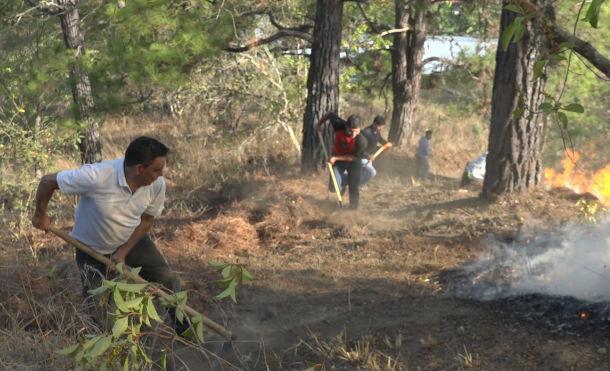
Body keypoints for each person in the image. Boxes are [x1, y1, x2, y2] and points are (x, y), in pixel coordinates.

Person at [32, 136, 186, 332]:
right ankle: (109, 349)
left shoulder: (157, 184)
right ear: (140, 169)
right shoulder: (97, 176)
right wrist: (40, 214)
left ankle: (186, 330)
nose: (161, 174)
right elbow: (48, 181)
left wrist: (123, 252)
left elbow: (146, 221)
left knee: (168, 281)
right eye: (156, 170)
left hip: (132, 240)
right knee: (98, 305)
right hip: (90, 248)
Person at [315, 112, 368, 209]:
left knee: (353, 186)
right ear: (346, 127)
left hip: (354, 162)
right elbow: (330, 115)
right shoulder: (339, 125)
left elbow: (354, 157)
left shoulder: (362, 141)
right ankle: (344, 182)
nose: (353, 134)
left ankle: (353, 208)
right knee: (333, 187)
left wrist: (335, 158)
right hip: (339, 161)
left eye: (355, 131)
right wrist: (319, 125)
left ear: (359, 130)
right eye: (350, 131)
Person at [360, 115, 392, 185]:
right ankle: (358, 184)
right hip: (362, 158)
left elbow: (379, 138)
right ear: (374, 124)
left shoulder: (377, 131)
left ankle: (360, 184)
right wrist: (367, 156)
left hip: (370, 157)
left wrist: (386, 143)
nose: (381, 128)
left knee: (364, 173)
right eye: (379, 126)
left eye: (382, 127)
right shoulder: (366, 133)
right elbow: (359, 148)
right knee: (372, 172)